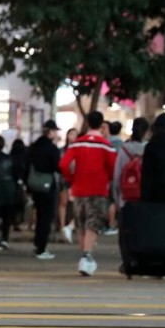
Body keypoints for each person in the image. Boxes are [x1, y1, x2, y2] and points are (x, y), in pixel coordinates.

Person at [59, 111, 116, 276]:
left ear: (87, 123)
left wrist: (71, 178)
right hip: (98, 189)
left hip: (78, 189)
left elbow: (63, 164)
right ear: (101, 124)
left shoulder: (76, 144)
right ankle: (87, 256)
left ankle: (85, 257)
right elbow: (113, 169)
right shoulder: (106, 145)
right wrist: (107, 179)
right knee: (93, 222)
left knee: (81, 222)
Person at [27, 120, 62, 259]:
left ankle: (37, 244)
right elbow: (57, 166)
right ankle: (42, 248)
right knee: (46, 217)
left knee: (39, 215)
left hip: (35, 184)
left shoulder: (34, 146)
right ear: (51, 132)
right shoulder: (52, 148)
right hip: (48, 184)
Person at [112, 116, 150, 211]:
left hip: (125, 198)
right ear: (146, 132)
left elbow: (117, 175)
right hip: (144, 198)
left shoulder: (124, 149)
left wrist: (117, 199)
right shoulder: (149, 149)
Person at [58, 127, 78, 243]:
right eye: (71, 134)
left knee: (77, 205)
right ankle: (62, 226)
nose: (73, 137)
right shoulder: (62, 150)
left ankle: (70, 226)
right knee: (63, 203)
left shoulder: (78, 149)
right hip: (65, 179)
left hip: (75, 180)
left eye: (75, 134)